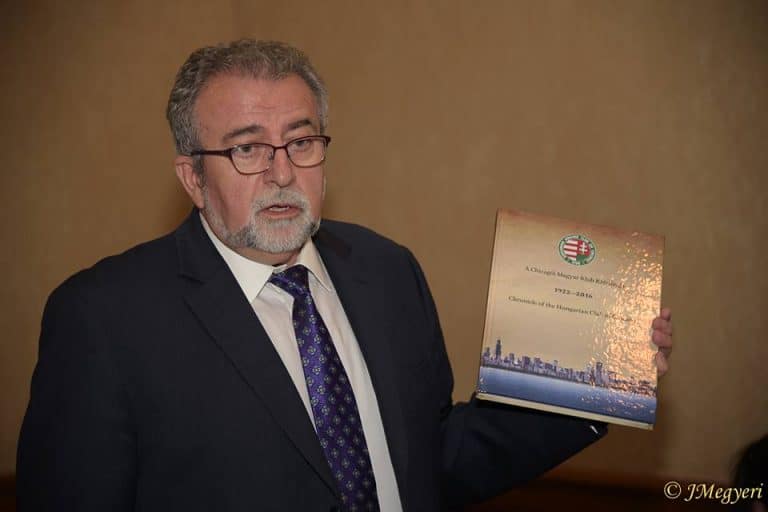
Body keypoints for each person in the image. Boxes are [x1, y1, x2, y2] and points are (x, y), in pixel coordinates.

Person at [16, 39, 673, 512]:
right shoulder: (104, 318)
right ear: (192, 176)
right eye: (247, 148)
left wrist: (598, 380)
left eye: (301, 142)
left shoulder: (386, 271)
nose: (282, 172)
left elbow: (434, 461)